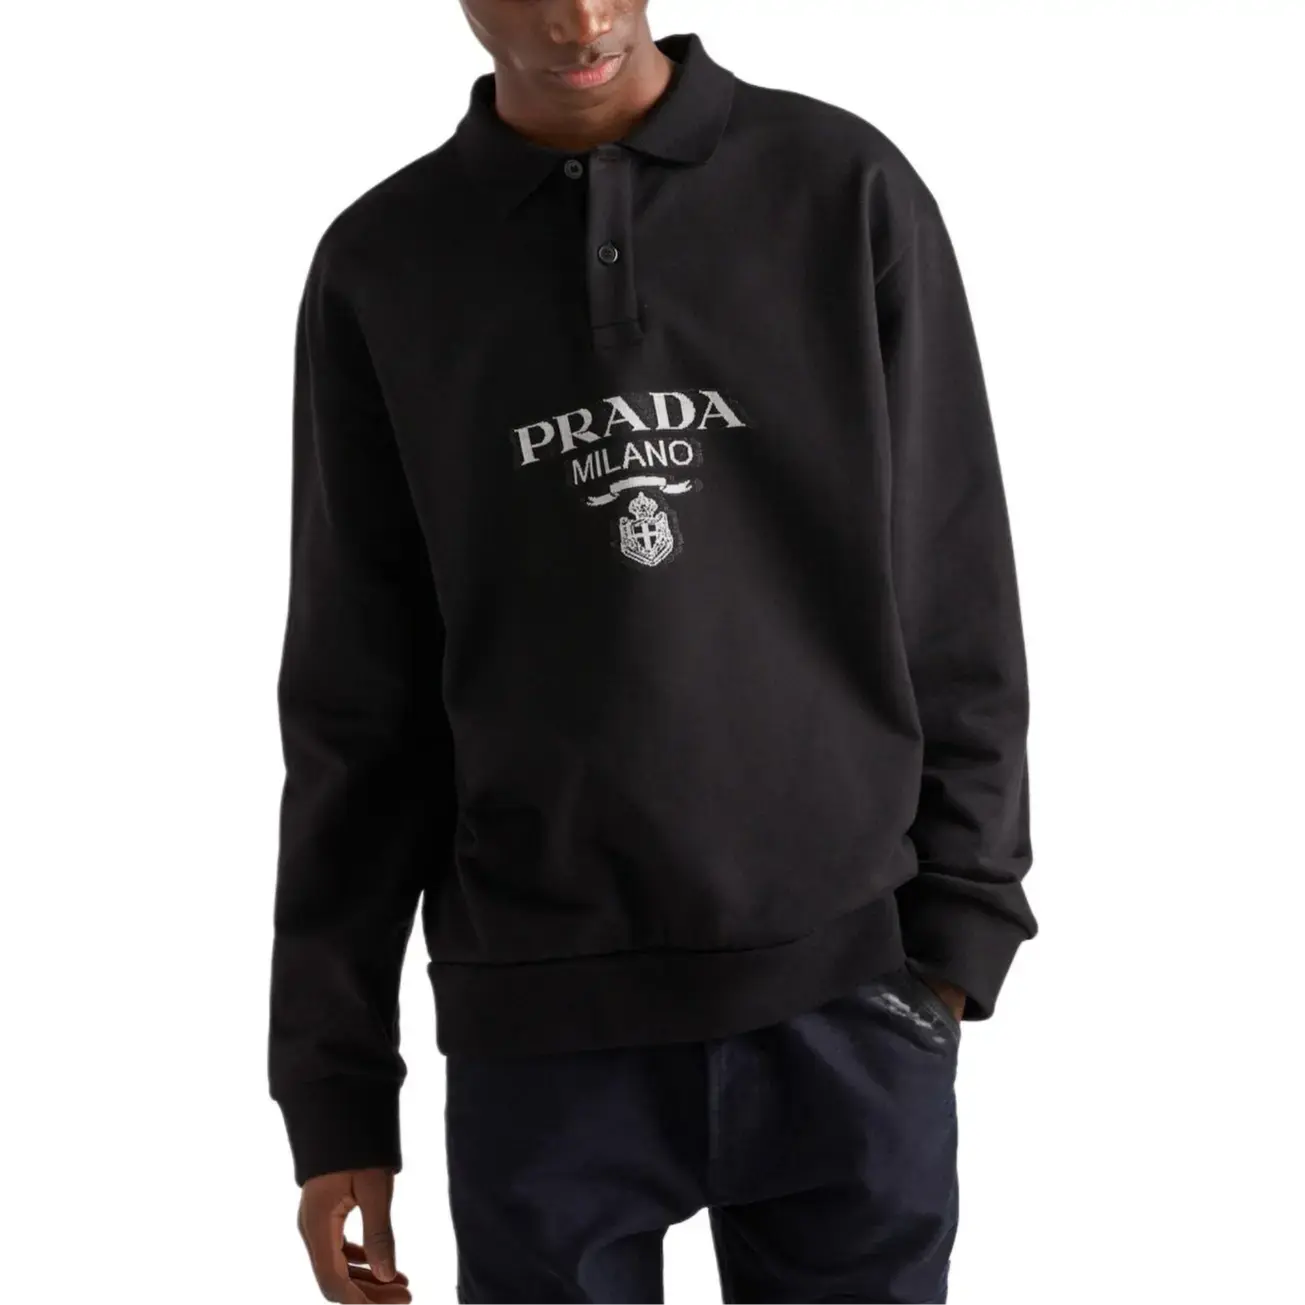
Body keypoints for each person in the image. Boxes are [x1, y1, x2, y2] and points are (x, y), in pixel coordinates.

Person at [268, 2, 1036, 1301]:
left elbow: (953, 579)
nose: (580, 17)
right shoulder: (385, 263)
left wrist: (958, 937)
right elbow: (356, 698)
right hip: (541, 1026)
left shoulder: (840, 188)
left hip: (847, 994)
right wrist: (334, 1090)